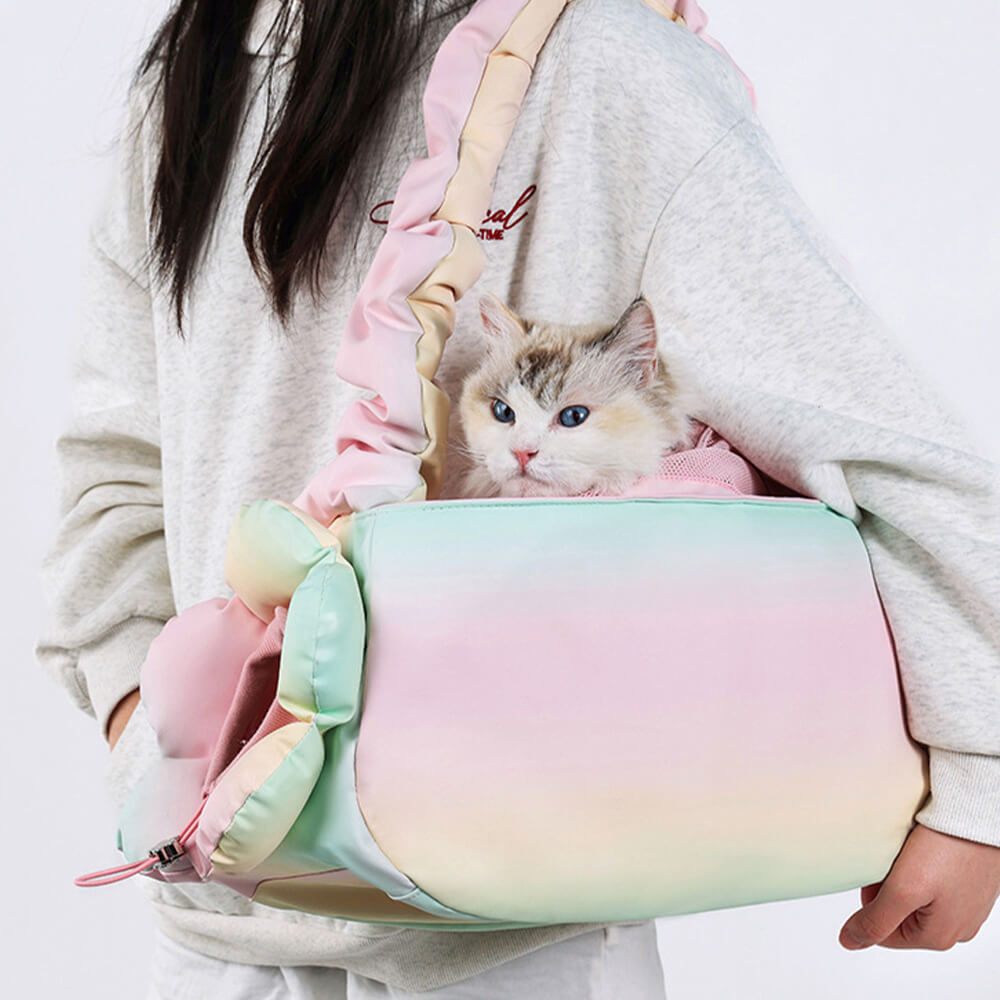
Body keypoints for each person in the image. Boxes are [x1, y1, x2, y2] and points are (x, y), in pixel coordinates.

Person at [34, 0, 1000, 996]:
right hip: (217, 917)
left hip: (506, 931)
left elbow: (881, 446)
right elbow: (115, 463)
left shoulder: (605, 65)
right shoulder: (198, 73)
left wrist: (981, 784)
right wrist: (151, 731)